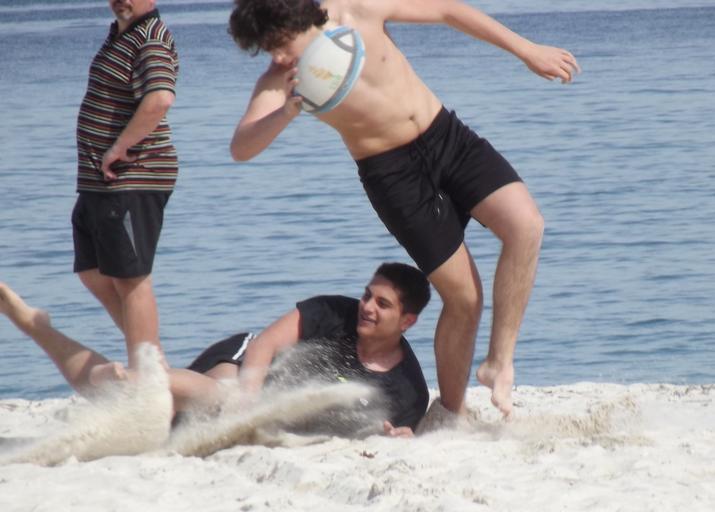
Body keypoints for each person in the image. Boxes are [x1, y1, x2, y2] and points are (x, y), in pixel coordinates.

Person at [227, 0, 581, 417]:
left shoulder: (357, 10)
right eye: (268, 50)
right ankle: (451, 412)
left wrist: (526, 50)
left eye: (280, 44)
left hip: (446, 137)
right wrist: (287, 111)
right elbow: (241, 147)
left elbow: (447, 12)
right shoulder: (282, 79)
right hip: (392, 176)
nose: (278, 57)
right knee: (464, 298)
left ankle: (498, 363)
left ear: (299, 20)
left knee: (526, 225)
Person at [0, 262, 431, 437]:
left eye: (383, 304)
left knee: (150, 414)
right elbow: (265, 344)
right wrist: (249, 395)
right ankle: (134, 377)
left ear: (407, 321)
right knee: (217, 396)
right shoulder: (334, 312)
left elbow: (397, 430)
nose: (367, 307)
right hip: (246, 365)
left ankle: (38, 328)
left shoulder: (407, 387)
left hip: (265, 412)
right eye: (368, 295)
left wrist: (396, 435)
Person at [71, 0, 179, 370]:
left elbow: (160, 98)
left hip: (134, 176)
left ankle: (148, 372)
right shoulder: (121, 34)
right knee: (91, 270)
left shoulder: (151, 37)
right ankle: (154, 361)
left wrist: (119, 147)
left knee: (130, 279)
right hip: (100, 182)